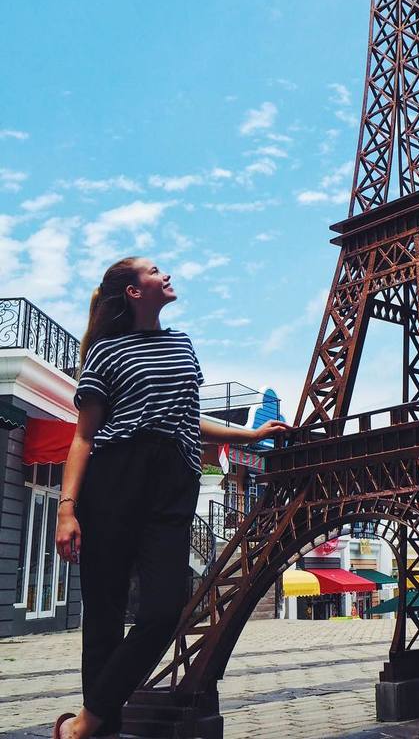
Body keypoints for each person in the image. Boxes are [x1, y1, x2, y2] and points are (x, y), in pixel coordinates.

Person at [52, 256, 292, 739]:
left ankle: (85, 723)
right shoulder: (105, 352)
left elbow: (190, 417)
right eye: (154, 270)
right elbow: (84, 438)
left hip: (173, 480)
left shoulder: (182, 345)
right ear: (134, 292)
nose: (166, 274)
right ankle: (100, 733)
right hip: (116, 474)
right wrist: (67, 508)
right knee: (103, 616)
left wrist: (248, 435)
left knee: (162, 612)